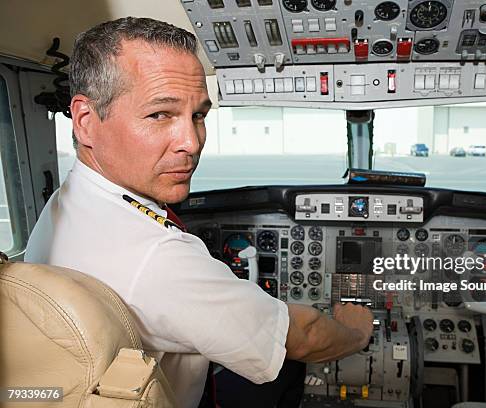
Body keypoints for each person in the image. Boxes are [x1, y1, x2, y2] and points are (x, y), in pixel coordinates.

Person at [24, 17, 374, 408]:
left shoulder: (67, 203)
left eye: (199, 115)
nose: (191, 143)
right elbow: (303, 336)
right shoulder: (156, 256)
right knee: (289, 363)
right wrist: (358, 332)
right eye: (160, 115)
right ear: (87, 122)